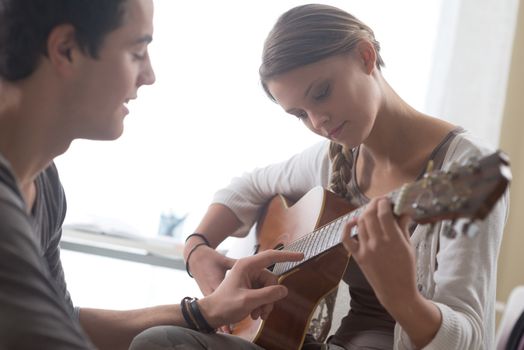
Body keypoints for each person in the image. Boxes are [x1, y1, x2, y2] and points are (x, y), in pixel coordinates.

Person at [179, 3, 509, 350]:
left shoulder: (468, 169)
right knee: (165, 340)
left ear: (366, 57)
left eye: (321, 93)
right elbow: (247, 187)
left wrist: (403, 296)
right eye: (299, 114)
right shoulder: (335, 159)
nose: (317, 122)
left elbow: (469, 337)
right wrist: (197, 248)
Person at [0, 0, 303, 349]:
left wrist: (205, 312)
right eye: (136, 51)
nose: (149, 75)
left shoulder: (42, 184)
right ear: (66, 49)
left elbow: (62, 320)